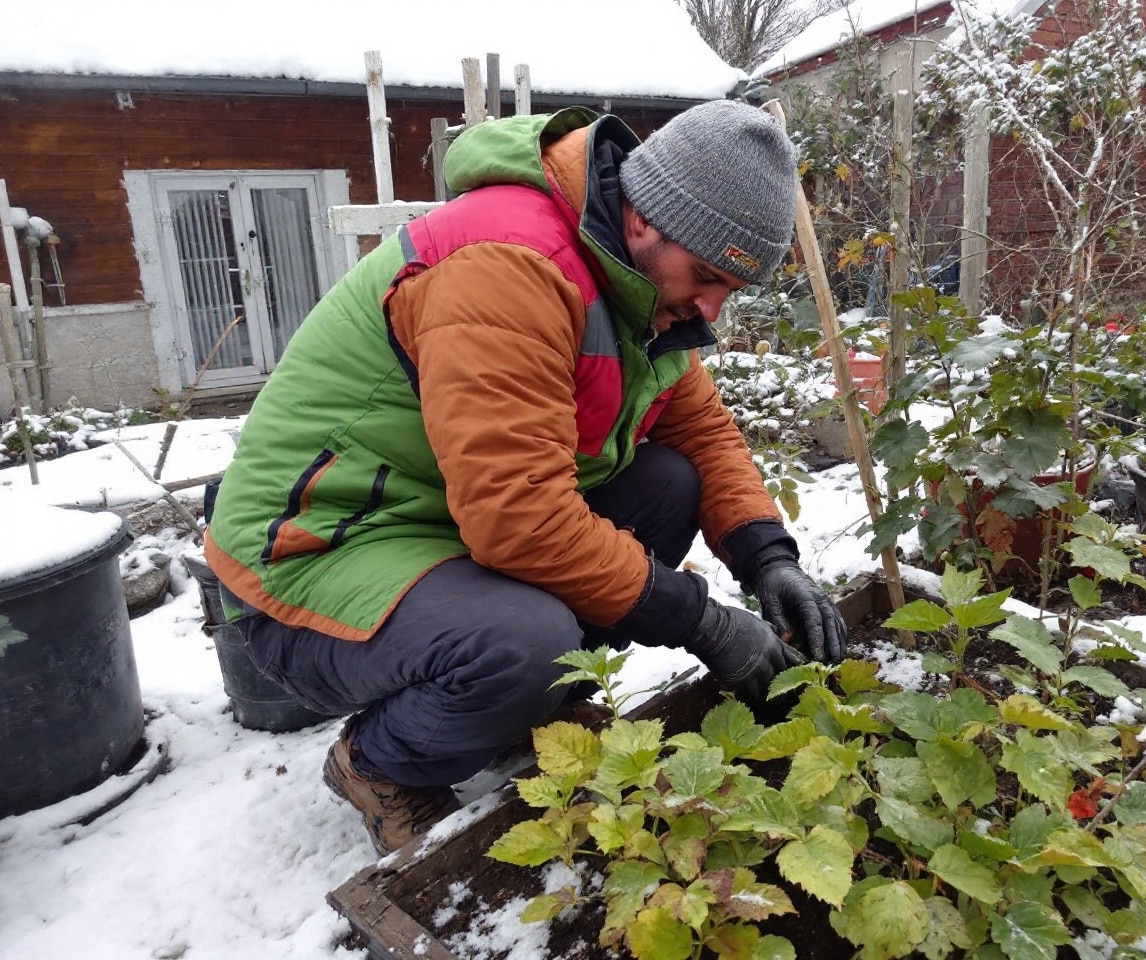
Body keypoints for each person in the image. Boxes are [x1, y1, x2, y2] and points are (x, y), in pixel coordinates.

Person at [203, 99, 848, 855]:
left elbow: (699, 430)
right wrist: (701, 621)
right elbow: (517, 518)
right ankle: (382, 764)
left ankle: (534, 707)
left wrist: (767, 555)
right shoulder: (510, 263)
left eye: (728, 291)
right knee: (524, 640)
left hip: (444, 524)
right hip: (315, 554)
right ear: (645, 219)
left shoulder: (641, 289)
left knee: (669, 483)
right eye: (706, 277)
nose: (712, 307)